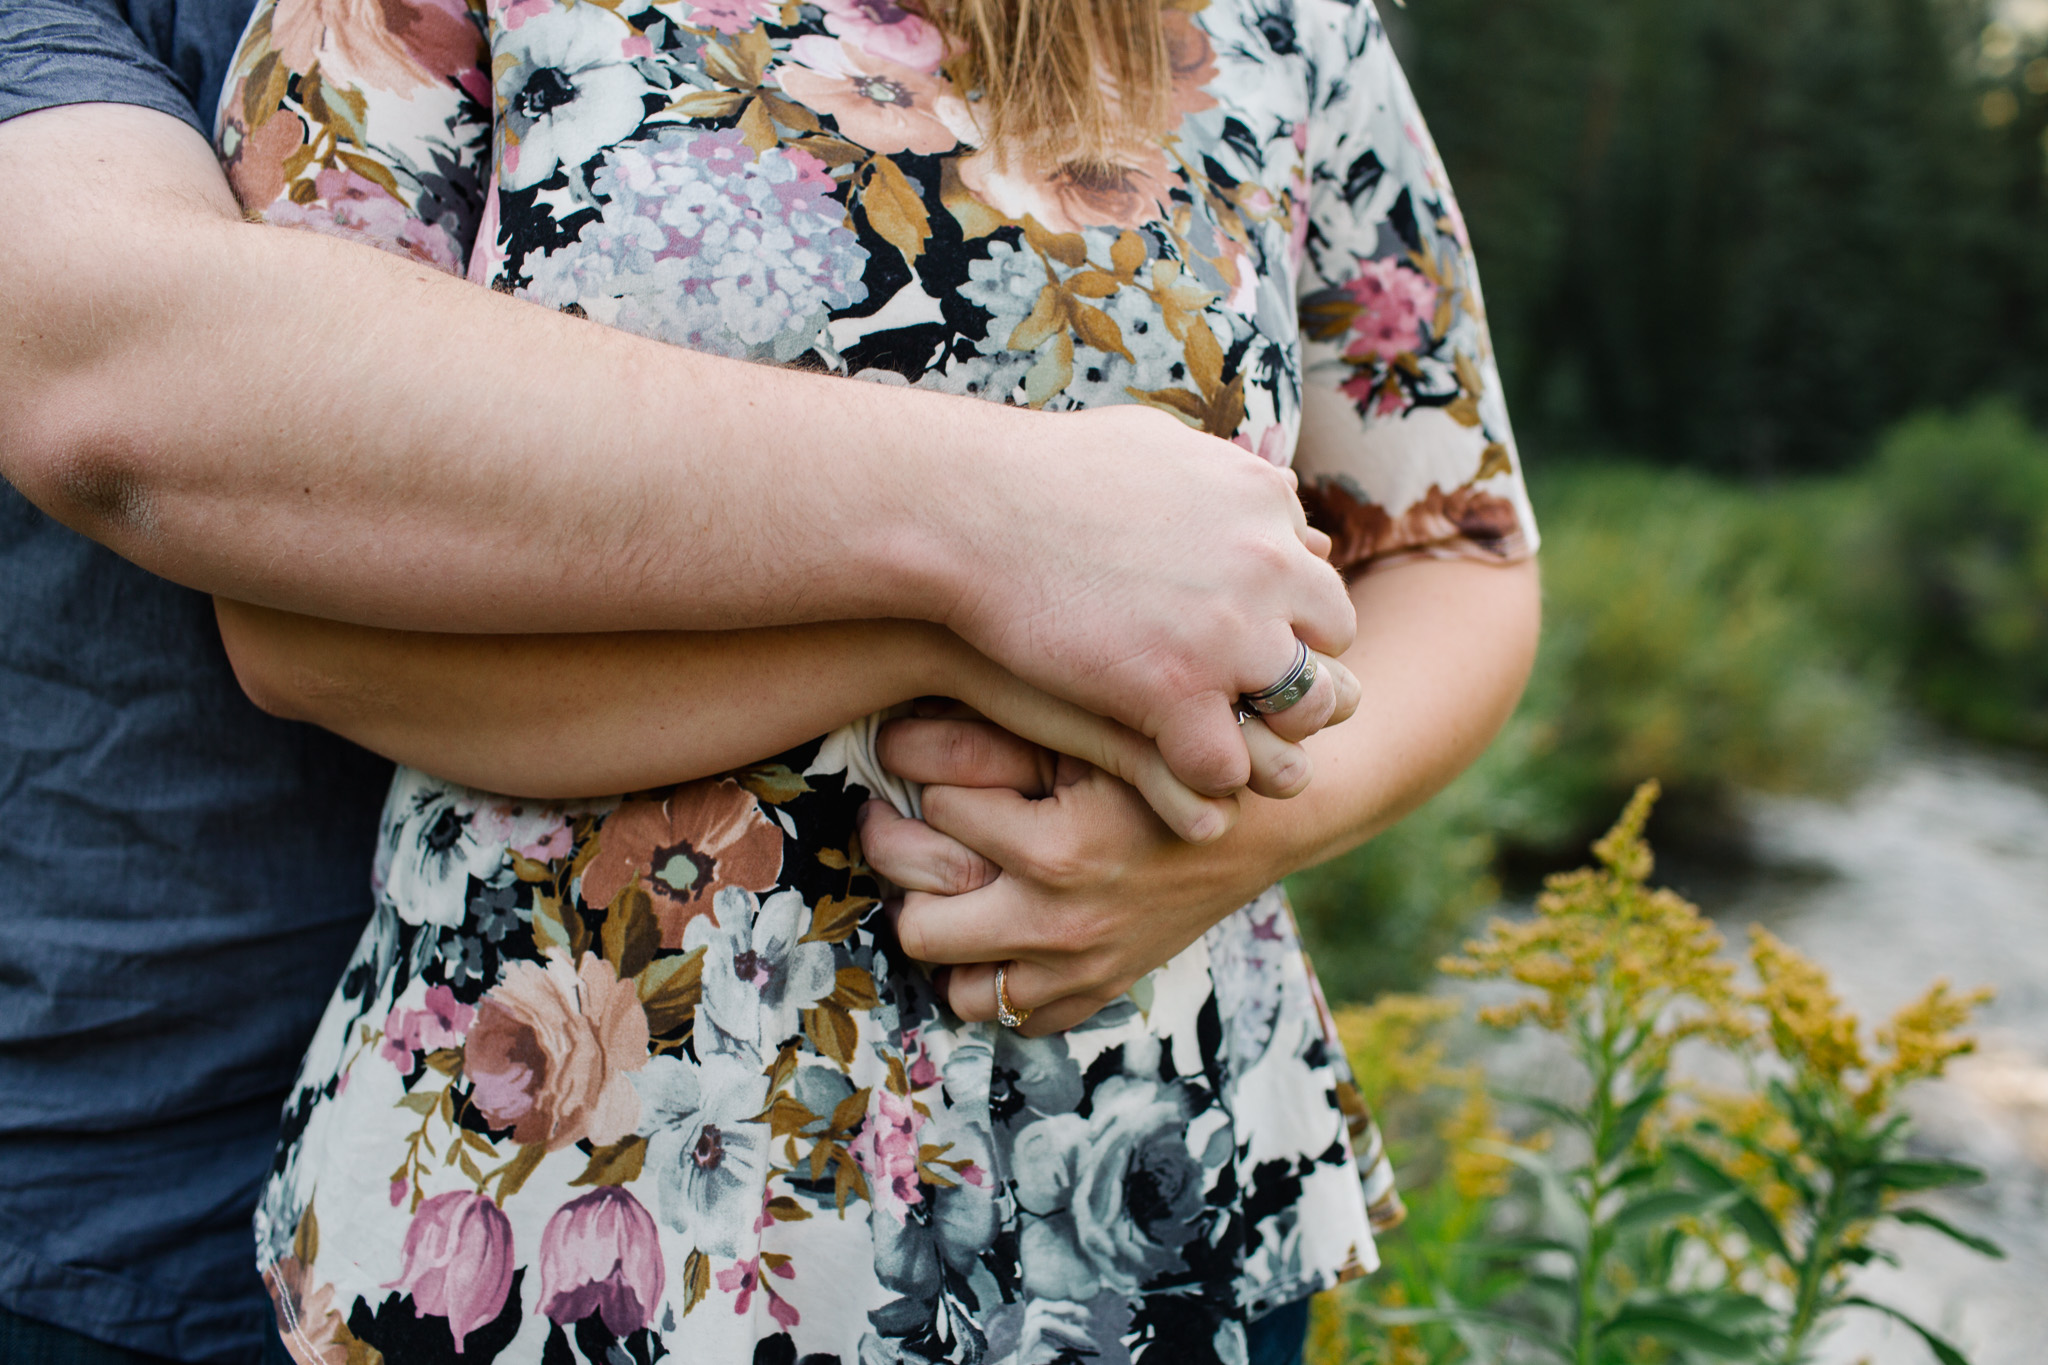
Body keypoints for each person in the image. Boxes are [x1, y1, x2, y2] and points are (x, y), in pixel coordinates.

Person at [0, 4, 1360, 1365]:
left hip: (1139, 1194)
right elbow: (193, 453)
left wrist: (1245, 819)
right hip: (515, 1208)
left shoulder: (1278, 25)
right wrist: (981, 585)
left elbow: (1452, 537)